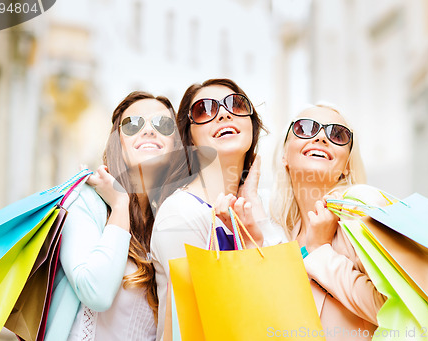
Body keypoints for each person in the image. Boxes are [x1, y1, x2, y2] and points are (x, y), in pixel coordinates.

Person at [150, 78, 285, 340]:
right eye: (204, 109)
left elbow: (288, 291)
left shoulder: (266, 207)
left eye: (237, 104)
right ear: (188, 136)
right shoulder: (180, 214)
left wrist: (254, 206)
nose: (224, 113)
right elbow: (205, 320)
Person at [45, 91, 181, 341]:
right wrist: (120, 205)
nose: (149, 131)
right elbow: (95, 293)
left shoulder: (178, 216)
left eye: (163, 124)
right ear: (118, 143)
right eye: (133, 124)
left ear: (177, 143)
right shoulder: (86, 202)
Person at [270, 103, 387, 340]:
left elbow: (392, 308)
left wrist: (321, 251)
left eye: (337, 134)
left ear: (346, 167)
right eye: (305, 128)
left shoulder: (362, 210)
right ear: (285, 157)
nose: (322, 137)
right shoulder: (282, 234)